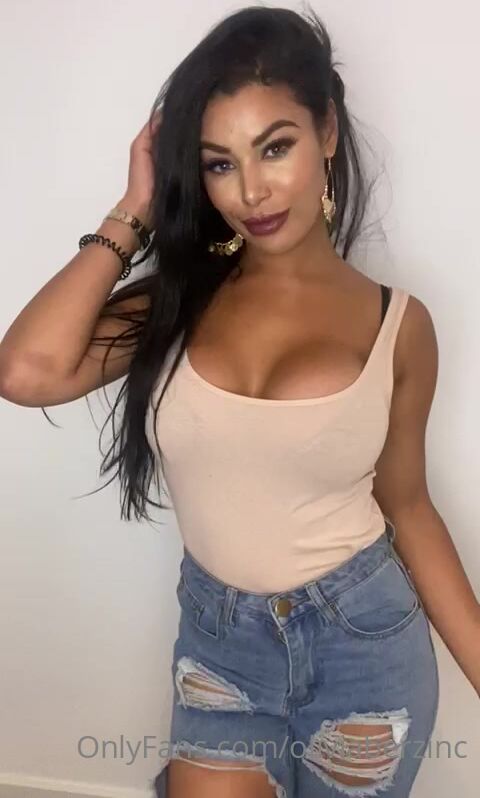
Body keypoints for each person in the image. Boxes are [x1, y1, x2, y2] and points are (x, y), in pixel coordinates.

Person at [1, 5, 479, 798]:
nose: (251, 190)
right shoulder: (177, 303)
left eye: (275, 147)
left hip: (365, 645)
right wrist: (134, 206)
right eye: (219, 163)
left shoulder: (400, 326)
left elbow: (409, 507)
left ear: (327, 132)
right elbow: (26, 372)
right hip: (222, 649)